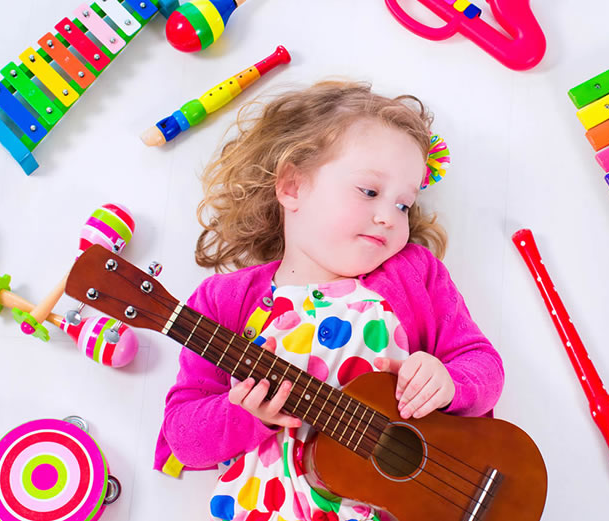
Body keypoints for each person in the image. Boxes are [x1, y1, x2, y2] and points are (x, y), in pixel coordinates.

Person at [154, 80, 504, 521]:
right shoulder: (224, 300)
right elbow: (184, 440)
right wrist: (242, 414)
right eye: (370, 191)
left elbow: (482, 363)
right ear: (293, 187)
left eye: (403, 205)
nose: (387, 217)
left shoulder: (412, 271)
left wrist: (450, 382)